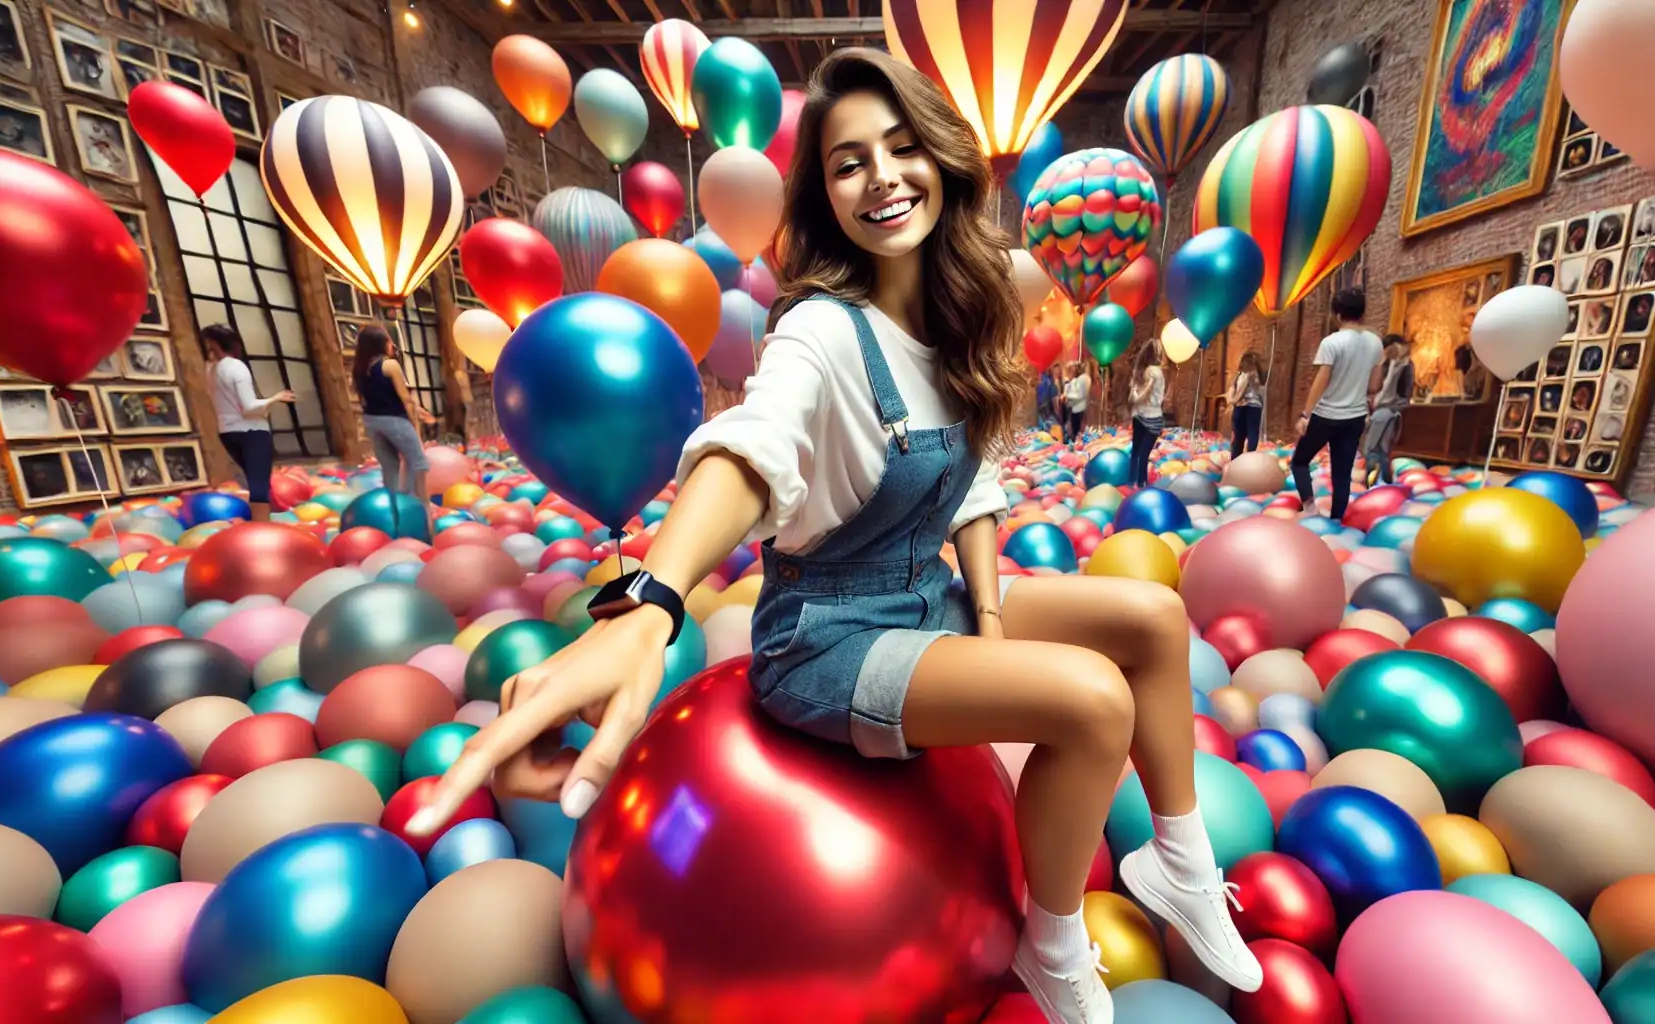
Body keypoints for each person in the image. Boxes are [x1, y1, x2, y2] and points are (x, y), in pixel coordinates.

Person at [405, 47, 1261, 1024]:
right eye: (849, 161)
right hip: (829, 637)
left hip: (924, 596)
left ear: (940, 162)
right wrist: (653, 600)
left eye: (901, 148)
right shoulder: (817, 328)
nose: (882, 176)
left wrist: (984, 612)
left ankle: (1178, 863)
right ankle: (1052, 943)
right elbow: (751, 445)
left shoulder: (947, 328)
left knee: (1151, 616)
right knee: (1091, 701)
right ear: (824, 192)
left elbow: (971, 482)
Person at [1290, 288, 1382, 519]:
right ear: (1362, 313)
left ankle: (1310, 508)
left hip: (1326, 416)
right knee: (1342, 474)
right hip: (1354, 417)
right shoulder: (1375, 343)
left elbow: (1322, 381)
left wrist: (1305, 414)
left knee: (1300, 462)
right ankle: (1337, 519)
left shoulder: (1332, 342)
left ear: (1338, 314)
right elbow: (1374, 386)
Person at [201, 324, 294, 522]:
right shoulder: (236, 366)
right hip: (252, 431)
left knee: (256, 478)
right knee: (258, 482)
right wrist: (276, 398)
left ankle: (274, 514)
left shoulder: (210, 370)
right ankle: (262, 527)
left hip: (227, 432)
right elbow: (249, 407)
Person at [353, 324, 436, 500]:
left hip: (372, 421)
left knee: (390, 466)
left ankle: (394, 506)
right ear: (382, 344)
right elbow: (406, 399)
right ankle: (419, 506)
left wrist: (421, 412)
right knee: (419, 463)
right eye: (390, 342)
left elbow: (381, 396)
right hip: (394, 421)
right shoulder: (390, 365)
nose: (392, 346)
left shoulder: (360, 369)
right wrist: (416, 430)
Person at [1362, 334, 1414, 485]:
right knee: (1382, 450)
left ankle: (1370, 484)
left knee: (1372, 450)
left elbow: (1404, 392)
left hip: (1387, 410)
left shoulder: (1403, 365)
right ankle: (1385, 481)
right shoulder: (1383, 364)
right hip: (1383, 410)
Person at [1127, 345, 1166, 484]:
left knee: (1136, 452)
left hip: (1139, 415)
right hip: (1153, 416)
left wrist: (1136, 396)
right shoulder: (1155, 372)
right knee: (1143, 454)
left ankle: (1132, 482)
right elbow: (1145, 394)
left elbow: (1132, 397)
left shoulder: (1139, 371)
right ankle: (1141, 484)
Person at [1225, 351, 1264, 457]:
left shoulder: (1246, 375)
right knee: (1249, 433)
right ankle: (1245, 457)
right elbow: (1235, 390)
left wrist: (1232, 400)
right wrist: (1233, 399)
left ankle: (1238, 457)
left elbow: (1237, 391)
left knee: (1240, 435)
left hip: (1244, 406)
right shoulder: (1246, 375)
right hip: (1251, 407)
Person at [1061, 360, 1090, 444]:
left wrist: (1067, 396)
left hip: (1079, 409)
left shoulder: (1083, 379)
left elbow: (1080, 395)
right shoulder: (1073, 381)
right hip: (1073, 408)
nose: (1071, 371)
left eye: (1072, 369)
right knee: (1073, 430)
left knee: (1077, 431)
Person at [1035, 365, 1059, 433]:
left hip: (1044, 406)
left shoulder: (1047, 378)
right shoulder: (1046, 379)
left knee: (1045, 426)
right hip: (1044, 406)